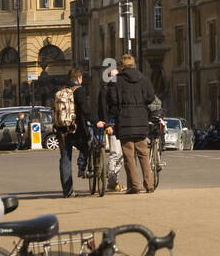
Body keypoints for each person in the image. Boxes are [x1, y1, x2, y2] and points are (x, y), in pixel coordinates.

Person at [103, 53, 157, 194]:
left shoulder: (116, 81)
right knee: (143, 154)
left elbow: (112, 101)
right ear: (134, 65)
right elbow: (151, 97)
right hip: (141, 120)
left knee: (128, 155)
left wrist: (112, 118)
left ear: (121, 66)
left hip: (124, 121)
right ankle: (149, 184)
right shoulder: (143, 79)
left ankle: (134, 185)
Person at [55, 68, 90, 198]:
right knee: (88, 145)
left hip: (62, 130)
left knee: (65, 158)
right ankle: (82, 167)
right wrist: (96, 120)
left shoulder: (61, 91)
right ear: (79, 78)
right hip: (77, 129)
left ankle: (68, 191)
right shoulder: (79, 91)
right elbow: (86, 110)